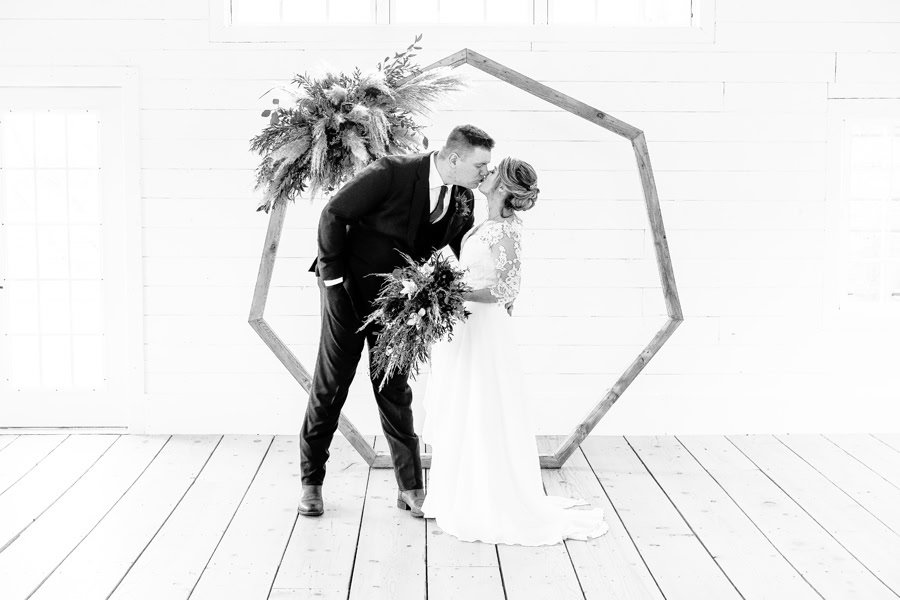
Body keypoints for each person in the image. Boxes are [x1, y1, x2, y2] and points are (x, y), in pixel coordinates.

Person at [299, 125, 495, 517]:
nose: (485, 173)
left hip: (401, 304)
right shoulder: (392, 171)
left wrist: (480, 288)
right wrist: (334, 283)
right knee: (332, 384)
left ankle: (410, 486)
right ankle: (311, 482)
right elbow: (333, 213)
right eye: (481, 165)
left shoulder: (464, 200)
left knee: (394, 388)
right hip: (348, 291)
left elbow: (460, 254)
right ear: (454, 158)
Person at [421, 157, 610, 545]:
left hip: (483, 329)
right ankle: (459, 490)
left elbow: (507, 291)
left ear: (504, 187)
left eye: (493, 171)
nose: (485, 173)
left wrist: (452, 294)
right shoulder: (486, 223)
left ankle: (487, 498)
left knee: (482, 405)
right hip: (467, 326)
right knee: (463, 403)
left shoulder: (505, 232)